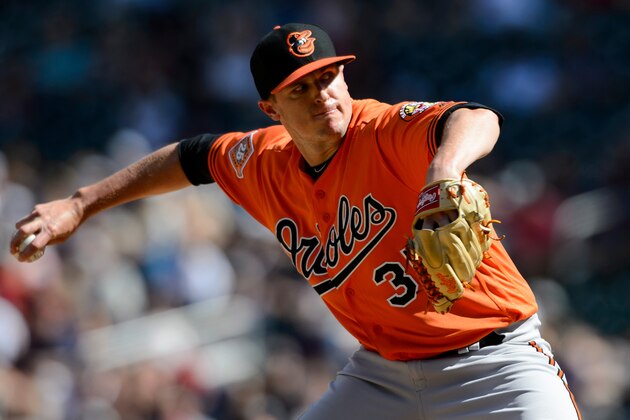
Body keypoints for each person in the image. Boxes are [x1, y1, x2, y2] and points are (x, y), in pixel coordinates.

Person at [10, 23, 581, 419]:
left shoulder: (384, 131)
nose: (322, 95)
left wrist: (443, 170)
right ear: (270, 109)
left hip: (496, 364)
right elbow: (190, 157)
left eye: (328, 76)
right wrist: (81, 203)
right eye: (300, 88)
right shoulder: (263, 162)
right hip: (381, 378)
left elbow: (476, 118)